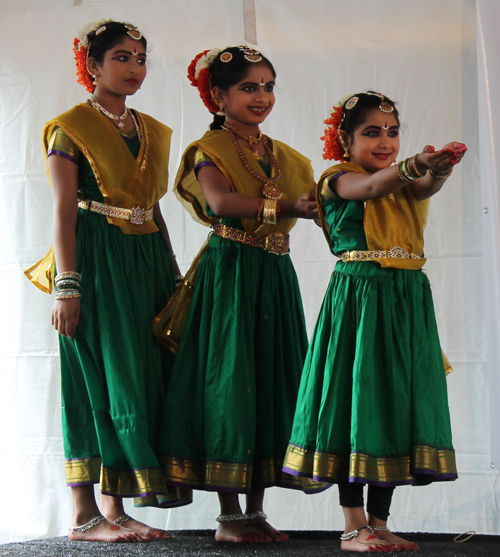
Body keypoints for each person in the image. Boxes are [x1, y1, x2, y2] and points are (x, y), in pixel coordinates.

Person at [25, 20, 191, 543]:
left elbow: (155, 209)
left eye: (140, 59)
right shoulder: (69, 128)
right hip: (96, 261)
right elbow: (63, 213)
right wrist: (67, 286)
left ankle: (115, 510)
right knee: (93, 376)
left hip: (145, 262)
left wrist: (174, 273)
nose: (134, 69)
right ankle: (83, 514)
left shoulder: (150, 129)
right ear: (92, 66)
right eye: (121, 58)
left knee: (137, 378)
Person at [152, 45, 326, 544]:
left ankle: (255, 509)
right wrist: (289, 205)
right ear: (217, 95)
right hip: (229, 273)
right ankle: (229, 516)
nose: (261, 96)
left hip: (274, 273)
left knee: (270, 379)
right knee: (230, 381)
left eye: (268, 86)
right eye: (249, 87)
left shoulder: (286, 156)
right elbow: (221, 200)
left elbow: (320, 203)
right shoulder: (210, 149)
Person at [282, 91, 465, 553]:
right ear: (344, 138)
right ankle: (352, 526)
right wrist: (414, 164)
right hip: (361, 296)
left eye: (392, 132)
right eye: (371, 132)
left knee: (395, 400)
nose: (385, 141)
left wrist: (437, 168)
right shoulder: (339, 177)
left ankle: (379, 523)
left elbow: (420, 188)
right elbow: (370, 189)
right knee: (357, 400)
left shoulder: (398, 177)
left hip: (405, 297)